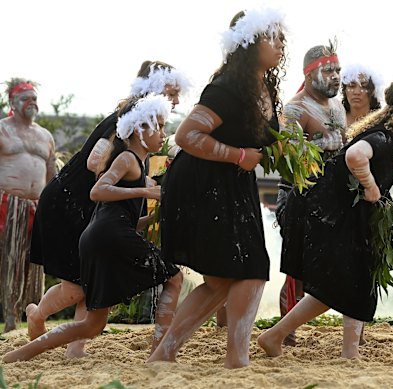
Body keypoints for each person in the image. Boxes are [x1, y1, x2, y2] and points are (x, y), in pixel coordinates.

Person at [147, 8, 287, 369]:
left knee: (224, 278)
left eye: (281, 35)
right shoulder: (228, 89)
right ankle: (236, 358)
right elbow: (186, 135)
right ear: (249, 43)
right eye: (272, 36)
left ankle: (165, 353)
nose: (280, 42)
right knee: (250, 268)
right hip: (201, 185)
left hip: (231, 184)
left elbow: (269, 146)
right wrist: (238, 154)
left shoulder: (265, 87)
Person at [258, 78, 393, 359]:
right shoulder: (385, 137)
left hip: (342, 216)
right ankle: (339, 350)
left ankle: (277, 337)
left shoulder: (389, 137)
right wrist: (372, 186)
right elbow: (355, 155)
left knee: (347, 286)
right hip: (332, 216)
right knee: (347, 283)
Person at [3, 94, 183, 363]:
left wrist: (151, 218)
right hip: (106, 236)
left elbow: (122, 216)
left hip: (101, 236)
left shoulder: (137, 161)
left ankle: (21, 353)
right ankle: (160, 353)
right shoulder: (127, 159)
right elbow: (97, 192)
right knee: (174, 278)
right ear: (137, 130)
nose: (162, 133)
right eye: (157, 126)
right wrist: (147, 191)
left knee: (92, 325)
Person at [276, 42, 346, 346]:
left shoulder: (339, 106)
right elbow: (286, 159)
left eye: (338, 70)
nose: (335, 76)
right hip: (299, 195)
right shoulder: (294, 109)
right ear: (310, 73)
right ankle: (286, 335)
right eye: (328, 70)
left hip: (330, 197)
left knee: (333, 262)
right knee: (298, 269)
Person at [0, 78, 56, 333]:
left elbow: (51, 174)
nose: (31, 102)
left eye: (34, 98)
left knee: (36, 264)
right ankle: (10, 320)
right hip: (8, 204)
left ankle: (33, 316)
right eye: (25, 98)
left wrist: (51, 204)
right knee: (10, 260)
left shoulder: (45, 136)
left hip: (38, 206)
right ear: (12, 102)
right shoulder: (3, 130)